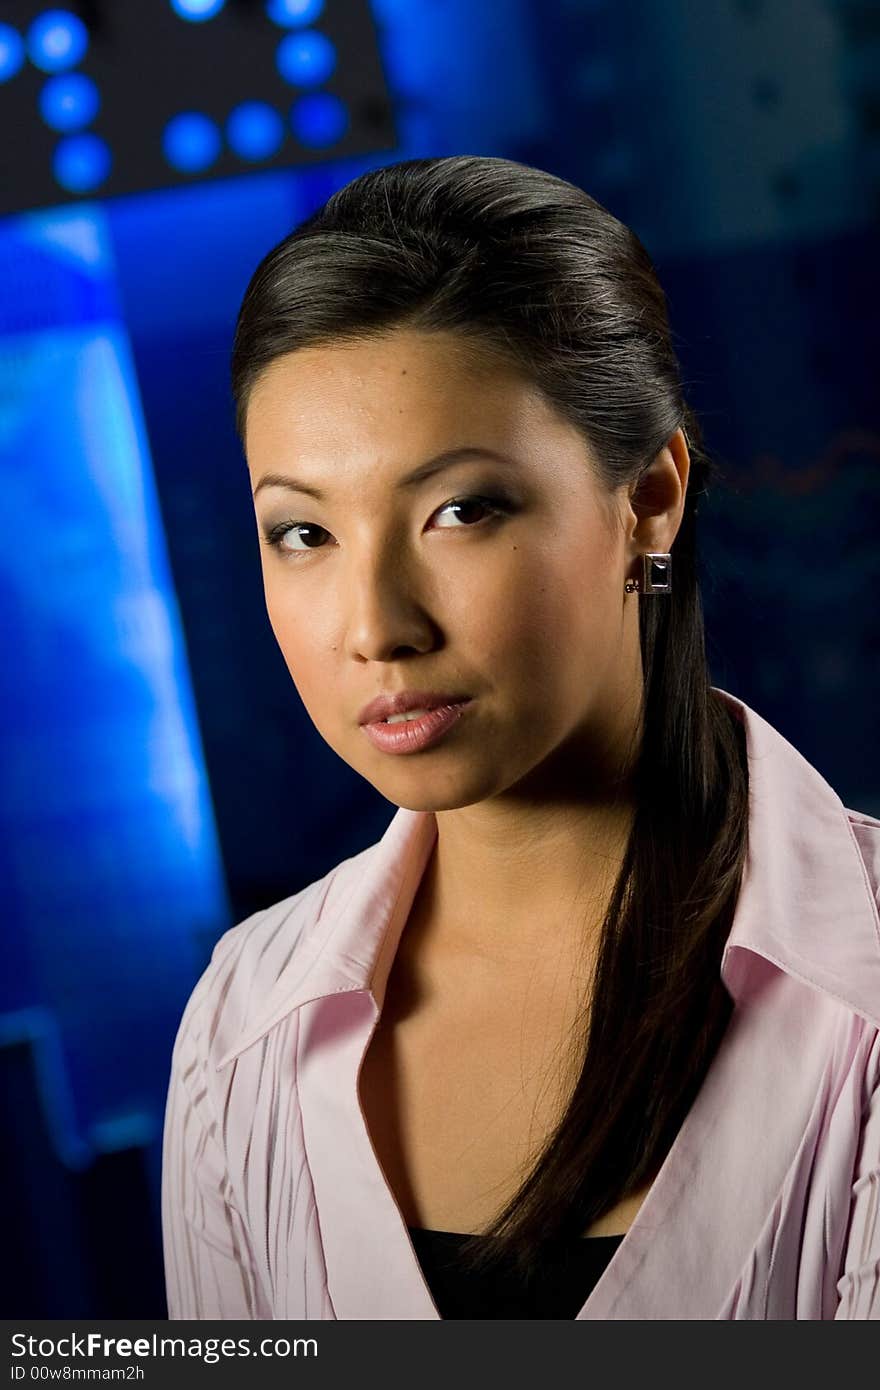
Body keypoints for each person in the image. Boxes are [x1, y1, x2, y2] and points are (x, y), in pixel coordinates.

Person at [160, 155, 880, 1320]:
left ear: (648, 498)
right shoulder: (242, 1021)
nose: (376, 626)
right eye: (301, 533)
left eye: (460, 509)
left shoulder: (860, 987)